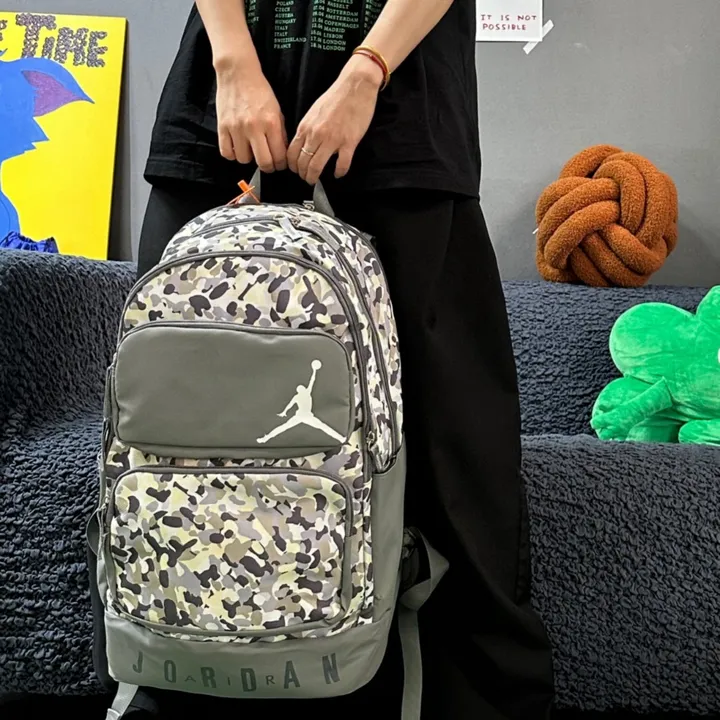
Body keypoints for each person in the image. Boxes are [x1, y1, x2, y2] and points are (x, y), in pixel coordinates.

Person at [131, 0, 555, 717]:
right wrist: (231, 59)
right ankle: (176, 677)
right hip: (222, 110)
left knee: (456, 456)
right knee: (177, 436)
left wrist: (367, 70)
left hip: (401, 113)